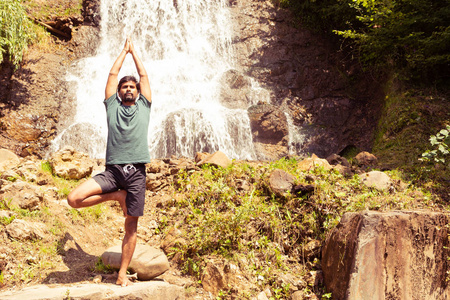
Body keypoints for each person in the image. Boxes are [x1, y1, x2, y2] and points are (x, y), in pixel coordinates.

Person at [67, 37, 152, 287]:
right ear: (118, 92)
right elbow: (112, 73)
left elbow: (144, 77)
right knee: (74, 199)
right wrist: (122, 51)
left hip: (136, 173)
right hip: (112, 173)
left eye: (131, 87)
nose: (127, 88)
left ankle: (122, 274)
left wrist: (134, 53)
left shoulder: (145, 106)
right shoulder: (112, 106)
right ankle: (116, 196)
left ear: (137, 93)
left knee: (131, 227)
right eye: (124, 86)